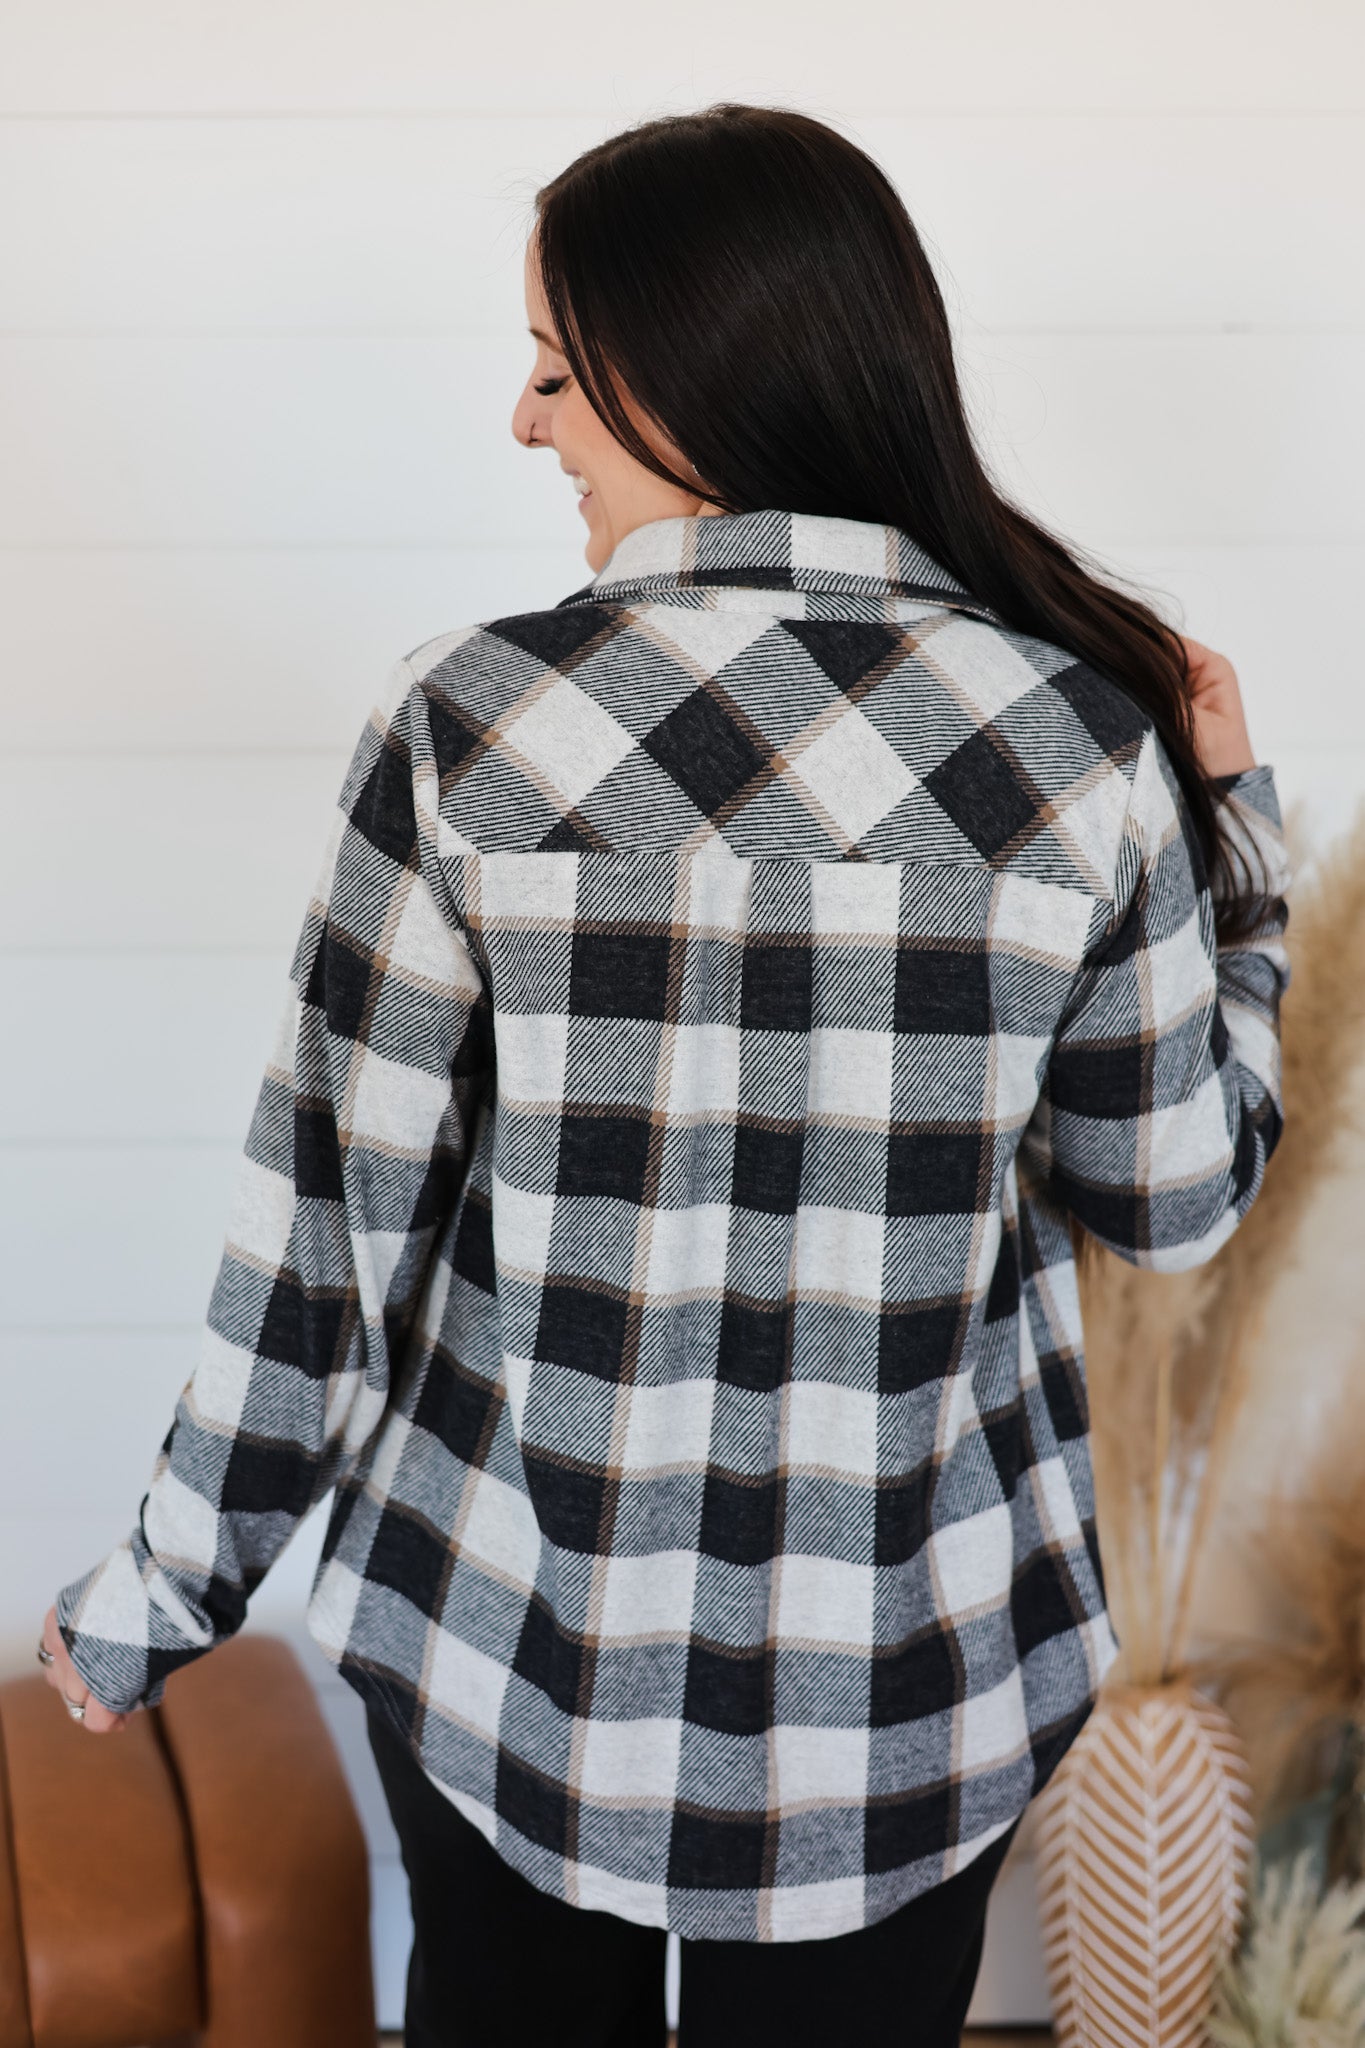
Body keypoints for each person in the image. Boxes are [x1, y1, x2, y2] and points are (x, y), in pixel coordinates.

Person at [41, 103, 1291, 2046]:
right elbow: (1174, 1201)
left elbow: (324, 1243)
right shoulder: (1078, 747)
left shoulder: (470, 724)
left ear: (678, 369)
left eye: (552, 368)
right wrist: (1241, 853)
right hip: (899, 1690)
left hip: (506, 1648)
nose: (522, 421)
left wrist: (158, 1595)